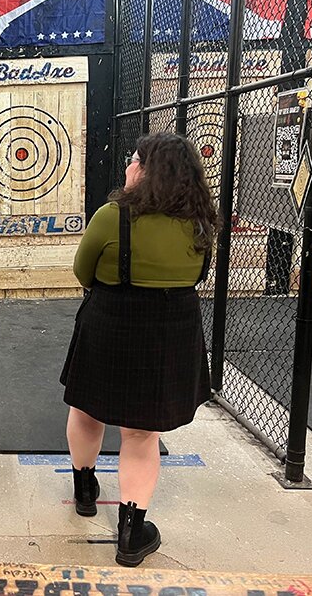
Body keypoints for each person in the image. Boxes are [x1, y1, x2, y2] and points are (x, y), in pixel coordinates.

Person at [60, 132, 218, 567]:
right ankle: (131, 535)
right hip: (171, 329)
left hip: (110, 321)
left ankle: (85, 490)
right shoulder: (201, 222)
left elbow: (82, 271)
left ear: (148, 171)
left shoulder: (112, 216)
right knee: (142, 433)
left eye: (134, 161)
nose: (128, 168)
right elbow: (198, 275)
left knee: (87, 410)